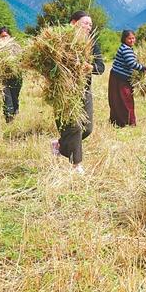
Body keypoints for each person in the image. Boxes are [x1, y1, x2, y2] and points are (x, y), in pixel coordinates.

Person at [52, 11, 105, 173]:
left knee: (87, 128)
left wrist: (90, 67)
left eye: (90, 24)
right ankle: (77, 165)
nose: (89, 27)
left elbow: (101, 68)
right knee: (75, 127)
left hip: (85, 89)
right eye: (85, 23)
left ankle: (59, 145)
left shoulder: (92, 43)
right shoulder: (61, 40)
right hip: (65, 90)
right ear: (73, 23)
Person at [108, 29, 146, 127]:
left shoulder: (128, 48)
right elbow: (132, 64)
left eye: (133, 38)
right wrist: (145, 69)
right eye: (129, 38)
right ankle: (126, 122)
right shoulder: (126, 49)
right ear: (124, 39)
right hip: (119, 78)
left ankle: (120, 121)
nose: (132, 40)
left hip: (121, 77)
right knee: (124, 99)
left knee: (120, 99)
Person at [0, 27, 23, 123]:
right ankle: (9, 119)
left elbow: (22, 59)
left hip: (16, 76)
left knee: (14, 98)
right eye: (2, 36)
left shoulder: (16, 47)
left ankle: (15, 112)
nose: (4, 38)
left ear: (10, 37)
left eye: (6, 36)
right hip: (3, 78)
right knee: (7, 99)